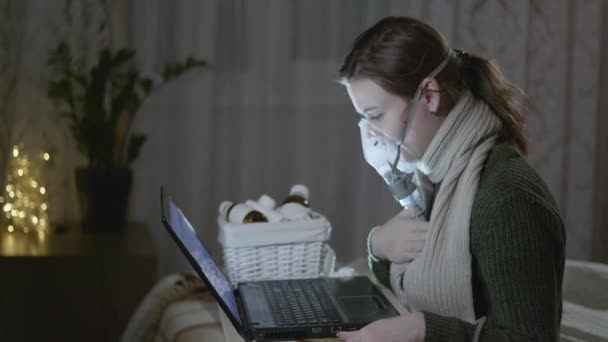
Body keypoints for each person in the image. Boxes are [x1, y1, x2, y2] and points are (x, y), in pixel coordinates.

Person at [335, 17, 565, 342]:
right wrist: (380, 245)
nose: (370, 135)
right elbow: (416, 277)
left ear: (429, 95)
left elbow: (527, 337)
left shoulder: (508, 199)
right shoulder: (435, 172)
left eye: (375, 116)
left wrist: (422, 329)